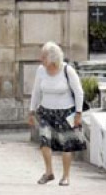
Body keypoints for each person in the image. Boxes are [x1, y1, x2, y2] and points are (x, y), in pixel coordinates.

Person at [28, 41, 86, 186]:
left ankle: (66, 176)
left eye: (43, 56)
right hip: (46, 111)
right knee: (44, 141)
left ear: (52, 58)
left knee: (67, 145)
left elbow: (79, 92)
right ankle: (49, 172)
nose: (41, 59)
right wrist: (31, 111)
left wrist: (79, 113)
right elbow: (36, 92)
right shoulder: (41, 70)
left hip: (66, 112)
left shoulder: (67, 70)